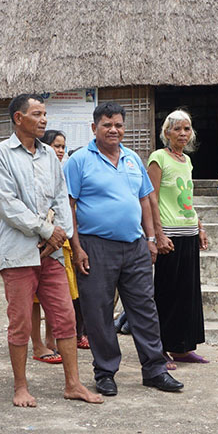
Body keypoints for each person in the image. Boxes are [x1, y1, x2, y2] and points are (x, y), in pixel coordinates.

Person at [0, 94, 102, 408]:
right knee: (21, 321)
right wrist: (48, 231)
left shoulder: (50, 155)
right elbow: (7, 205)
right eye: (36, 114)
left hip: (50, 253)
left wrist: (59, 237)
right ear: (18, 118)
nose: (43, 120)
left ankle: (73, 384)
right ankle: (21, 387)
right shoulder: (1, 155)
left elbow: (61, 199)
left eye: (45, 114)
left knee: (64, 317)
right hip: (19, 254)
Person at [65, 101, 184, 396]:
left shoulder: (132, 159)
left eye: (118, 125)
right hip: (95, 247)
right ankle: (105, 372)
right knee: (99, 310)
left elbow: (145, 200)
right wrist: (76, 248)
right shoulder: (79, 161)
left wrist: (152, 237)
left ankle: (154, 369)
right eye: (107, 125)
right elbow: (69, 205)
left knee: (144, 307)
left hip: (134, 246)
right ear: (94, 128)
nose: (113, 130)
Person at [147, 110, 209, 365]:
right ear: (166, 133)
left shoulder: (186, 161)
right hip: (169, 235)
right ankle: (159, 348)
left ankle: (181, 347)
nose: (183, 134)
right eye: (178, 129)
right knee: (166, 294)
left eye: (187, 129)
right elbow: (151, 197)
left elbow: (187, 199)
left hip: (188, 233)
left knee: (187, 293)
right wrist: (157, 235)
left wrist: (200, 226)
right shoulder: (158, 158)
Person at [29, 130, 89, 362]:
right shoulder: (39, 171)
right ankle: (37, 345)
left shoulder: (63, 172)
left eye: (63, 146)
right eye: (56, 146)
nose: (61, 151)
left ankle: (52, 341)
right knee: (35, 300)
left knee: (58, 297)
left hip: (62, 243)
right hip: (40, 241)